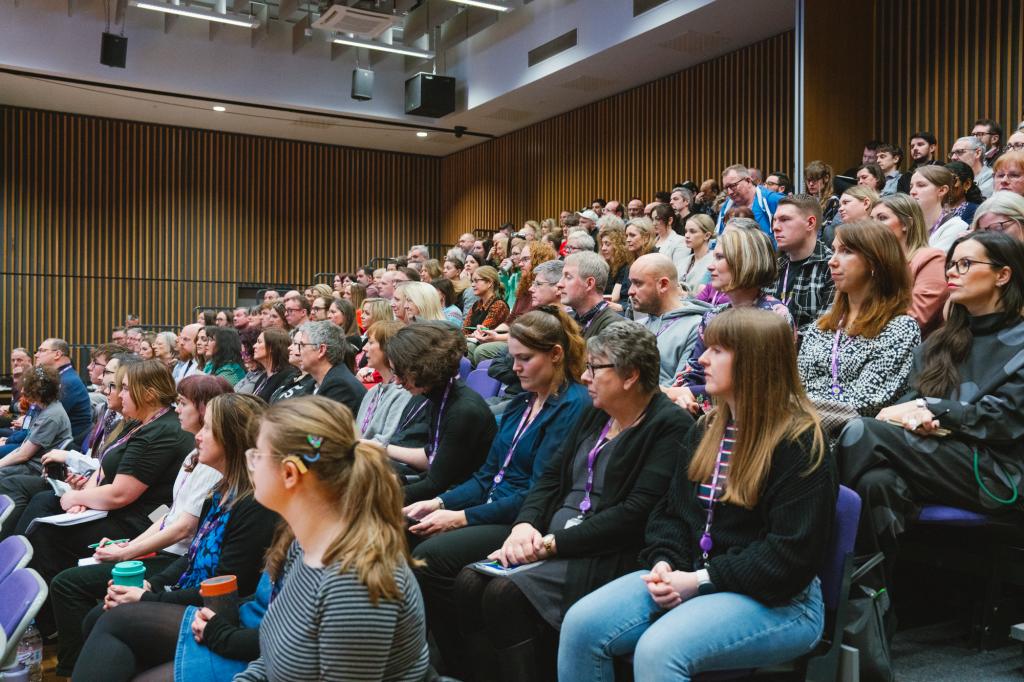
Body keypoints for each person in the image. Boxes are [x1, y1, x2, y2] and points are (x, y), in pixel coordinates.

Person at [559, 308, 835, 682]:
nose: (702, 358)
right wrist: (664, 561)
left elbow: (788, 556)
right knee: (581, 626)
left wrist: (700, 580)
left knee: (660, 650)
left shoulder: (800, 444)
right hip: (696, 576)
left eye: (718, 350)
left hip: (781, 601)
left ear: (755, 362)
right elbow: (670, 513)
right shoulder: (706, 429)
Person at [452, 323, 693, 682]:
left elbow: (634, 515)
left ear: (630, 376)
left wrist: (550, 545)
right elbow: (549, 479)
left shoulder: (668, 425)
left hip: (605, 551)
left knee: (504, 594)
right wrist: (525, 525)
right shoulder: (597, 412)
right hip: (553, 538)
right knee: (468, 582)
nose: (584, 376)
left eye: (595, 368)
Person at [407, 308, 591, 677]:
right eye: (512, 358)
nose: (517, 368)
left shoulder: (574, 407)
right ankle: (437, 658)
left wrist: (461, 517)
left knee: (431, 557)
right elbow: (487, 475)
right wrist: (440, 502)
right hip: (492, 507)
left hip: (520, 520)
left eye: (526, 358)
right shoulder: (521, 403)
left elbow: (540, 493)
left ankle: (466, 663)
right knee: (408, 526)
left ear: (555, 354)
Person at [838, 231, 1024, 588]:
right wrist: (915, 416)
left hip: (998, 474)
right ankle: (868, 606)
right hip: (934, 458)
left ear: (1003, 275)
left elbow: (1003, 422)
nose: (951, 272)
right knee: (878, 482)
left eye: (965, 264)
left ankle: (813, 578)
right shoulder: (940, 343)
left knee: (861, 430)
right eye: (951, 264)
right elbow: (905, 404)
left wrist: (934, 410)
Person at [71, 393, 278, 682]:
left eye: (207, 428)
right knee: (101, 613)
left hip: (217, 612)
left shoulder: (253, 505)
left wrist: (148, 597)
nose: (198, 437)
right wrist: (150, 584)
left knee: (109, 617)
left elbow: (227, 585)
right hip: (193, 596)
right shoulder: (219, 493)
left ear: (231, 438)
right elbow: (191, 559)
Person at [232, 396, 429, 680]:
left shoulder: (353, 585)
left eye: (257, 455)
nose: (251, 463)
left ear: (289, 473)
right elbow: (274, 656)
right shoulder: (302, 542)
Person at [49, 374, 231, 675]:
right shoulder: (194, 454)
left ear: (204, 410)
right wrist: (128, 547)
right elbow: (171, 514)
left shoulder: (213, 465)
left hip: (174, 558)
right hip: (169, 554)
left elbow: (184, 528)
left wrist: (128, 554)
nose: (177, 410)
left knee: (70, 585)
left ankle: (73, 666)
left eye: (183, 404)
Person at [1, 360, 194, 598]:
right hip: (118, 511)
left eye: (124, 388)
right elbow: (103, 468)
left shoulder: (161, 431)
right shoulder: (140, 424)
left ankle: (35, 611)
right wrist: (84, 500)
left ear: (149, 395)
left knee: (45, 533)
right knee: (44, 505)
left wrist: (76, 497)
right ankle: (16, 587)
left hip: (137, 522)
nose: (119, 395)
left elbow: (120, 494)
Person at [797, 221, 920, 434]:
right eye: (834, 250)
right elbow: (798, 386)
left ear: (875, 261)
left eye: (846, 252)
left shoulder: (900, 329)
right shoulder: (822, 326)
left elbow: (867, 403)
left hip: (853, 442)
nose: (832, 262)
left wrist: (793, 411)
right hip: (804, 432)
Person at [667, 225, 791, 413]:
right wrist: (683, 396)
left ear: (745, 261)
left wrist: (683, 393)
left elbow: (756, 386)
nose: (710, 266)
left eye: (719, 257)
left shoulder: (774, 315)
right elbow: (694, 371)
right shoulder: (713, 315)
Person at [385, 322, 496, 503]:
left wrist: (378, 496)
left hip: (463, 499)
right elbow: (435, 463)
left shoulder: (463, 411)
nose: (396, 381)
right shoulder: (437, 396)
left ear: (421, 367)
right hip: (446, 489)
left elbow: (436, 484)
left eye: (400, 373)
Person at [628, 253, 712, 386]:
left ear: (663, 284)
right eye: (631, 283)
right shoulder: (638, 325)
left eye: (638, 283)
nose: (630, 291)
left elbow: (680, 387)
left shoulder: (696, 327)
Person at [871, 194, 949, 335]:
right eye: (871, 219)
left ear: (907, 224)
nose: (872, 225)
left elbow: (916, 318)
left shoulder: (931, 258)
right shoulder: (874, 262)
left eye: (882, 218)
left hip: (909, 347)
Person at [771, 195, 835, 332]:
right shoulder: (774, 266)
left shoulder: (831, 267)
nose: (775, 227)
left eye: (784, 220)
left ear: (810, 223)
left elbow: (823, 331)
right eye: (774, 220)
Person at [355, 321, 423, 449]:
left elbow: (387, 440)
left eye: (370, 342)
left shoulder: (404, 392)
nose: (364, 348)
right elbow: (358, 434)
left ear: (389, 348)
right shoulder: (372, 391)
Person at [0, 366, 71, 476]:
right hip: (29, 462)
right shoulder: (43, 408)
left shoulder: (50, 416)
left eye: (28, 388)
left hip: (35, 468)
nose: (23, 391)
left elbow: (24, 455)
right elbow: (23, 449)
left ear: (40, 391)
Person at [294, 321, 366, 415]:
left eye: (302, 345)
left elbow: (317, 427)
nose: (298, 352)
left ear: (321, 350)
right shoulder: (314, 382)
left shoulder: (341, 387)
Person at [34, 337, 93, 447]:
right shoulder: (61, 378)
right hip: (49, 439)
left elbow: (45, 419)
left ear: (57, 354)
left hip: (62, 446)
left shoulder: (67, 382)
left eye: (42, 350)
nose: (36, 355)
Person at [558, 252, 621, 339]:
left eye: (568, 277)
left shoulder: (614, 328)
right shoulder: (570, 321)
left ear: (589, 283)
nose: (559, 284)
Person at [909, 164, 969, 252]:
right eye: (911, 186)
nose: (912, 192)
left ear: (942, 190)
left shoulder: (956, 226)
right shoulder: (907, 224)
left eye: (921, 185)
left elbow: (929, 262)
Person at [715, 164, 782, 238]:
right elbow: (719, 236)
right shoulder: (727, 206)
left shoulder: (773, 200)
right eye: (726, 188)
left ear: (748, 181)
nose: (729, 192)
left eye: (733, 186)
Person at [249, 328, 298, 403]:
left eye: (259, 342)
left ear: (272, 347)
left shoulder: (287, 375)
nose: (254, 346)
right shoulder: (262, 377)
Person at [463, 266, 510, 338]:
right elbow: (464, 329)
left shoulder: (499, 305)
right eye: (472, 281)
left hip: (489, 344)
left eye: (476, 281)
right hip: (474, 341)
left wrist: (465, 337)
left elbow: (482, 332)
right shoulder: (476, 305)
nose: (472, 285)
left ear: (489, 283)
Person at [597, 223, 633, 313]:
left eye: (607, 244)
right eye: (602, 244)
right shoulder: (606, 266)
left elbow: (614, 297)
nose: (603, 248)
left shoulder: (624, 266)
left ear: (618, 246)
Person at [680, 214, 715, 297]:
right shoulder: (683, 261)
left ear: (707, 236)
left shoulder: (714, 261)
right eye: (686, 231)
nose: (687, 235)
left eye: (692, 231)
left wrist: (684, 294)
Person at [650, 204, 690, 275]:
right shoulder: (652, 241)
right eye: (652, 219)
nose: (653, 223)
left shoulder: (680, 241)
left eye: (657, 219)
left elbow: (678, 271)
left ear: (670, 220)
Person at [805, 160, 841, 229]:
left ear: (826, 178)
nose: (811, 184)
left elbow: (828, 229)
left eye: (815, 180)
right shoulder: (805, 200)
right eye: (808, 180)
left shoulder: (833, 201)